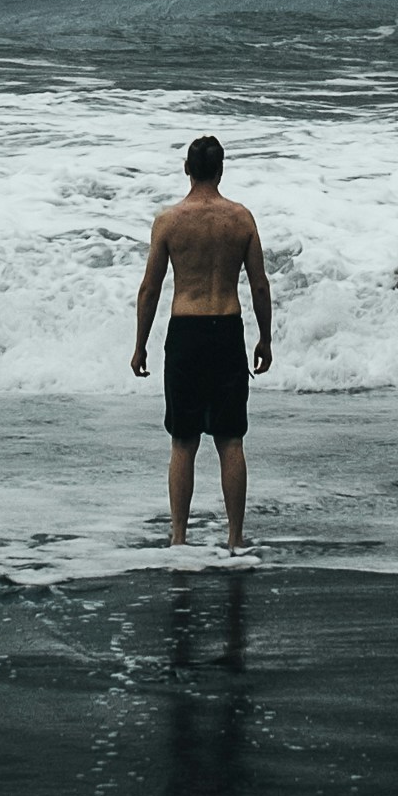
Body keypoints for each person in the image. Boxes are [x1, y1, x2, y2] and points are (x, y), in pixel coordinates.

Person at [131, 133, 272, 547]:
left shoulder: (170, 221)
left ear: (187, 169)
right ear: (221, 169)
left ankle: (178, 538)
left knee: (183, 441)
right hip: (227, 330)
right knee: (230, 440)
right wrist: (265, 338)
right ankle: (234, 537)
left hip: (186, 332)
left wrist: (140, 344)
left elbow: (150, 290)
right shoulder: (241, 219)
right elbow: (260, 286)